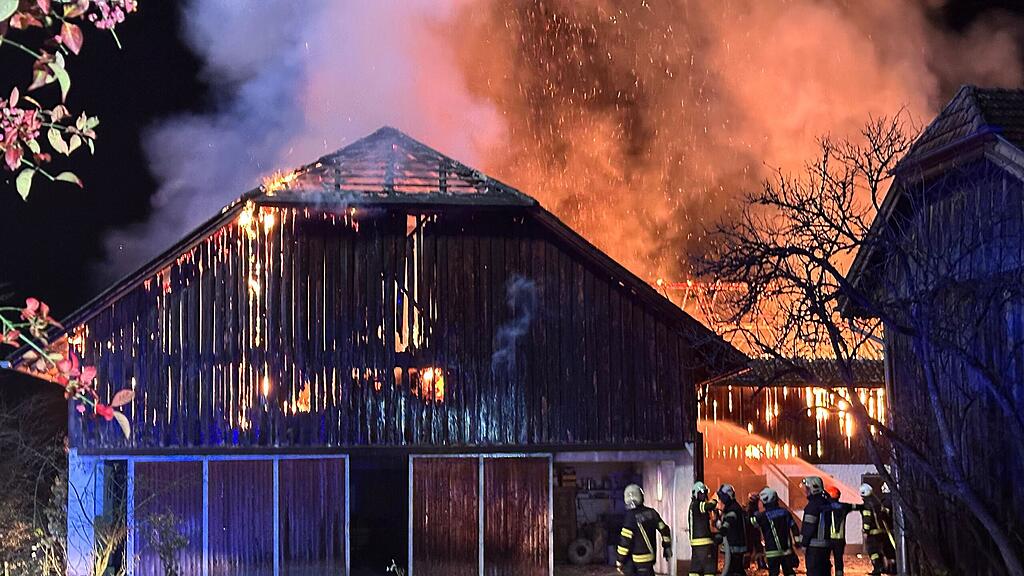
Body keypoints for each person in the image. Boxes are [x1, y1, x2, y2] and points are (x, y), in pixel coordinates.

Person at [616, 484, 672, 575]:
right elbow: (665, 530)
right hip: (650, 559)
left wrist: (620, 560)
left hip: (636, 560)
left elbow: (625, 542)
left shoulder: (630, 517)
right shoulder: (652, 513)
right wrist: (667, 547)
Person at [748, 487, 801, 576]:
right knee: (789, 572)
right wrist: (797, 542)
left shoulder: (763, 516)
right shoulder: (785, 512)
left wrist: (752, 505)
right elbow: (794, 527)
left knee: (773, 573)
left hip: (772, 552)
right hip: (786, 551)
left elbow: (751, 521)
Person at [858, 483, 896, 575]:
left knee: (872, 551)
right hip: (882, 532)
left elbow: (867, 518)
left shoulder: (867, 504)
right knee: (884, 551)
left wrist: (865, 531)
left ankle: (877, 568)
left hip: (872, 533)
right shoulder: (877, 502)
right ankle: (890, 568)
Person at [799, 476, 833, 576]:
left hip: (814, 549)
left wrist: (804, 544)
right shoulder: (827, 504)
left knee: (814, 572)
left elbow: (808, 528)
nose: (806, 491)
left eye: (807, 489)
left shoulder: (812, 506)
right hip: (826, 546)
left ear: (813, 488)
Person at [715, 484, 748, 575]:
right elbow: (723, 524)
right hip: (733, 546)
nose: (721, 499)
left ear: (728, 496)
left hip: (735, 547)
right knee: (735, 569)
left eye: (722, 496)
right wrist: (717, 519)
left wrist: (720, 534)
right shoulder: (731, 507)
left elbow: (727, 525)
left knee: (734, 570)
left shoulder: (733, 509)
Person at [687, 481, 718, 576]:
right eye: (701, 493)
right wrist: (715, 499)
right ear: (696, 494)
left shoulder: (694, 506)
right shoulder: (697, 505)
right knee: (709, 568)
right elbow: (710, 505)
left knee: (695, 569)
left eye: (705, 493)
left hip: (697, 544)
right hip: (703, 543)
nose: (704, 496)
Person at [826, 486, 857, 576]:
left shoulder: (826, 507)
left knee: (825, 559)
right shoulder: (844, 507)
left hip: (829, 539)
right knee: (839, 560)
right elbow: (855, 506)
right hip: (840, 539)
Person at [745, 492, 767, 570]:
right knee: (758, 548)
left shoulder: (748, 508)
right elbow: (753, 521)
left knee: (749, 549)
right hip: (753, 531)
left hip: (748, 532)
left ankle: (746, 565)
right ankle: (761, 564)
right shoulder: (753, 509)